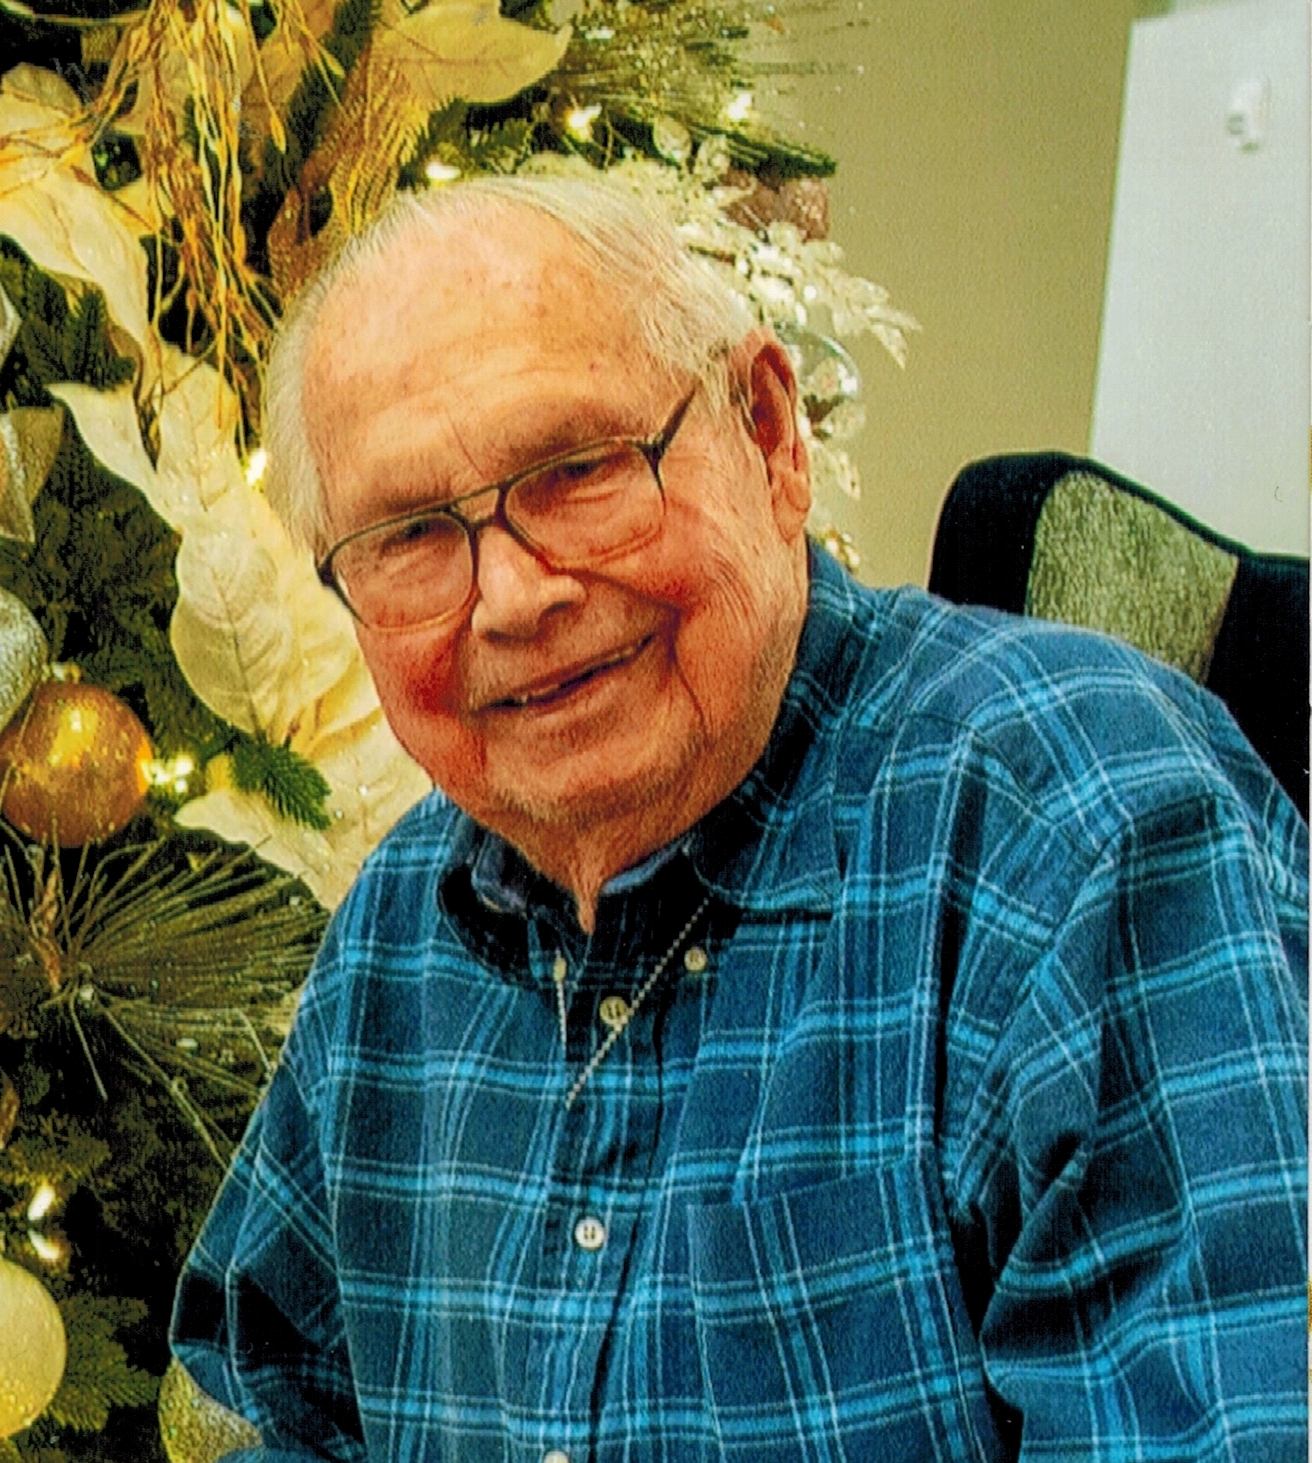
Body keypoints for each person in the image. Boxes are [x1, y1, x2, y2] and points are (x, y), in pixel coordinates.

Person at [171, 174, 1308, 1462]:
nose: (513, 598)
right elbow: (266, 1402)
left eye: (578, 469)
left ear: (770, 437)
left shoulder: (1079, 831)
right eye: (412, 534)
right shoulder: (404, 921)